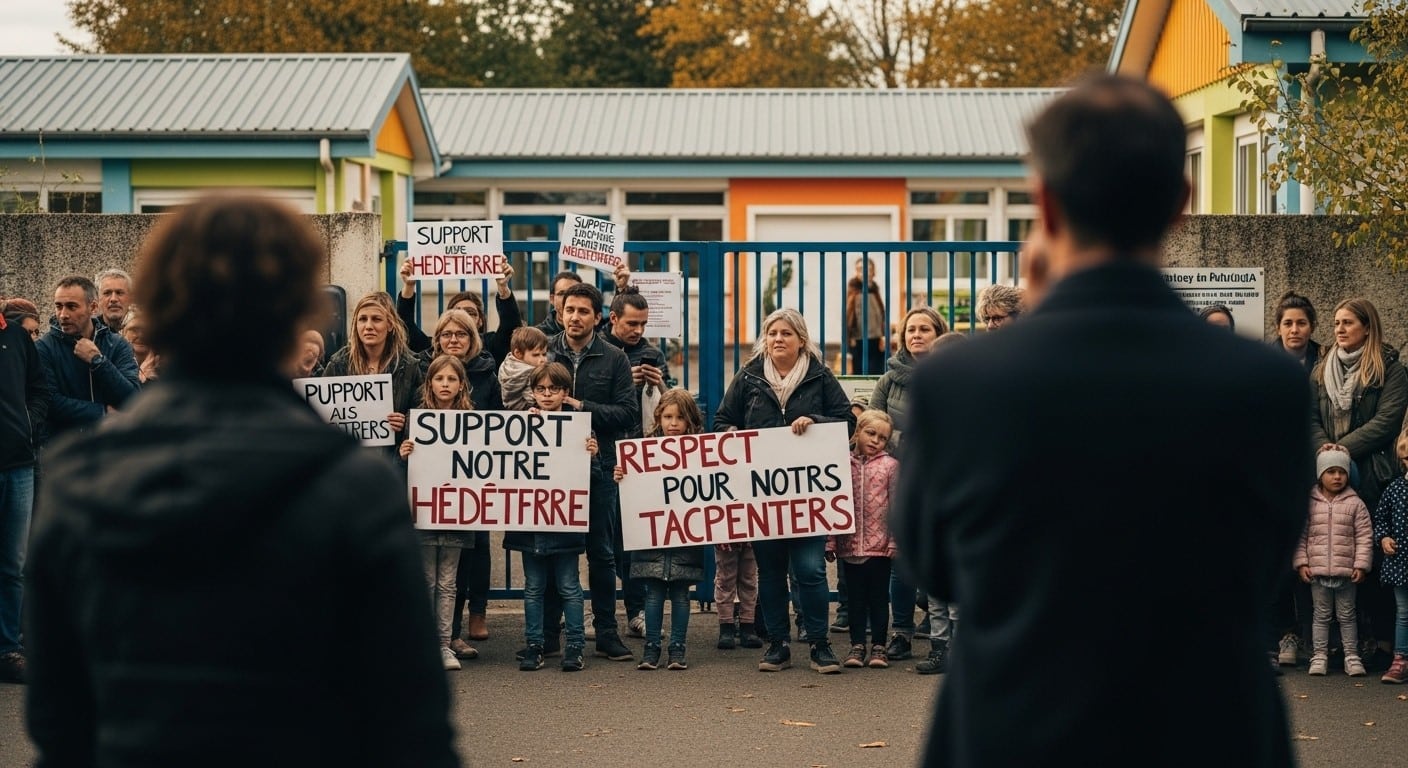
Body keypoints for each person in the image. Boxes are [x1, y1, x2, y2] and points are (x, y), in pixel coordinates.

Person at [893, 75, 1310, 766]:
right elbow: (1263, 567)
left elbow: (930, 563)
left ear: (1047, 204)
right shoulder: (1264, 384)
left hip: (1010, 730)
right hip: (1210, 732)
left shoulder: (958, 382)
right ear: (1180, 204)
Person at [24, 195, 458, 767]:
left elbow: (60, 726)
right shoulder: (355, 487)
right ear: (301, 315)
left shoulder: (81, 480)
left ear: (159, 308)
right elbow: (412, 730)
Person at [713, 307, 855, 675]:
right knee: (771, 572)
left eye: (786, 333)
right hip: (763, 497)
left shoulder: (820, 376)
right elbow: (722, 420)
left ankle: (820, 645)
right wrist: (729, 433)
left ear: (801, 340)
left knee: (810, 570)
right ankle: (778, 645)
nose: (778, 339)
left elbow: (848, 421)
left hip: (809, 498)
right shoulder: (748, 377)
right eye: (773, 332)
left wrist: (817, 421)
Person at [545, 281, 638, 661]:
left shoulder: (615, 358)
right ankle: (549, 635)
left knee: (601, 554)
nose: (575, 317)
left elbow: (628, 414)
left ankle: (606, 633)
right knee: (551, 551)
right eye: (570, 310)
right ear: (560, 313)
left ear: (598, 318)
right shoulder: (547, 353)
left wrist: (582, 407)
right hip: (551, 470)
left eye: (584, 311)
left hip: (599, 469)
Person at [1310, 297, 1406, 661]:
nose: (1339, 328)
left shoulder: (1391, 370)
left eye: (1347, 322)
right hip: (1328, 472)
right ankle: (1334, 644)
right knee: (1332, 556)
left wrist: (1341, 448)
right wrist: (1326, 451)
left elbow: (1388, 421)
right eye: (1336, 322)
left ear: (1368, 327)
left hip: (1372, 476)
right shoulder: (1322, 369)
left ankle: (1380, 642)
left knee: (1372, 558)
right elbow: (1311, 418)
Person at [418, 309, 501, 644]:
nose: (453, 340)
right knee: (434, 571)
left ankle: (458, 630)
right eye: (446, 334)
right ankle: (440, 636)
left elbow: (500, 427)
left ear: (473, 337)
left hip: (471, 484)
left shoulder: (487, 375)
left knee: (467, 557)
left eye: (461, 334)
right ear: (437, 340)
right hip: (432, 489)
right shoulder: (424, 374)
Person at [505, 361, 593, 673]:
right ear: (532, 392)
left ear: (565, 393)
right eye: (540, 389)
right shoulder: (518, 427)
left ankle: (575, 647)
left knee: (569, 586)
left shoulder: (579, 428)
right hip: (529, 525)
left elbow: (590, 477)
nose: (546, 395)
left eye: (553, 389)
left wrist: (591, 454)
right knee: (533, 588)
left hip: (564, 524)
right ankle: (534, 644)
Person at [614, 388, 707, 671]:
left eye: (680, 417)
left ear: (691, 421)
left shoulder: (703, 452)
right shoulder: (643, 449)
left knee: (681, 595)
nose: (673, 423)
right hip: (651, 538)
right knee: (652, 595)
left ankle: (677, 648)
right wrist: (622, 475)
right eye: (668, 416)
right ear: (658, 418)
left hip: (685, 538)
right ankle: (651, 647)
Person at [399, 354, 478, 669]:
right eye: (439, 379)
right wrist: (403, 453)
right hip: (424, 513)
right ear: (429, 383)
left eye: (451, 379)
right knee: (426, 578)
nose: (445, 384)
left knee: (448, 582)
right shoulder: (415, 418)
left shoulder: (474, 421)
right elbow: (404, 469)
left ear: (461, 385)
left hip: (458, 513)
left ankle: (444, 644)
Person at [603, 286, 668, 638]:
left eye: (643, 324)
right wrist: (624, 381)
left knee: (633, 541)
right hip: (604, 450)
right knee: (601, 541)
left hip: (638, 454)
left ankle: (636, 609)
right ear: (613, 319)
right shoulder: (601, 350)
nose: (638, 331)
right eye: (632, 323)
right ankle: (602, 613)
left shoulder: (652, 354)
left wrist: (659, 385)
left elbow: (666, 408)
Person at [826, 410, 899, 670]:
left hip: (880, 546)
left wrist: (895, 541)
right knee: (854, 598)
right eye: (870, 433)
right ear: (857, 432)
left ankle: (879, 645)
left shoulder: (890, 466)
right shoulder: (841, 464)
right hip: (849, 545)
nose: (875, 440)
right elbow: (833, 504)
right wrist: (831, 540)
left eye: (882, 437)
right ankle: (857, 645)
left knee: (879, 597)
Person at [0, 298, 47, 684]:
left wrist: (29, 425)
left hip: (18, 465)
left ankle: (7, 648)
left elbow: (38, 388)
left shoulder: (17, 338)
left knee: (14, 564)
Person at [1297, 447, 1373, 676]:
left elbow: (1364, 535)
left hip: (1346, 572)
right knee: (1320, 616)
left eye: (1342, 471)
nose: (1337, 477)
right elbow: (1301, 534)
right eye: (1331, 471)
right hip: (1317, 571)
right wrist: (1302, 562)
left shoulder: (1355, 504)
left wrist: (1361, 565)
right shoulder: (1309, 503)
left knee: (1347, 616)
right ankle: (1319, 656)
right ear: (1320, 474)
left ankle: (1351, 655)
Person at [34, 275, 140, 441]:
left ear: (93, 307)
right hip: (64, 450)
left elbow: (132, 398)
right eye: (58, 306)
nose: (63, 315)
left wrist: (98, 361)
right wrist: (102, 412)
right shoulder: (43, 347)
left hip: (112, 446)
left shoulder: (117, 344)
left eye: (71, 307)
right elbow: (48, 402)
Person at [321, 292, 423, 451]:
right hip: (349, 458)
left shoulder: (409, 366)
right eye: (362, 319)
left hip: (393, 461)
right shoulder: (338, 364)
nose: (368, 326)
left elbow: (422, 412)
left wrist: (405, 422)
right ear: (355, 324)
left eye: (376, 319)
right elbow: (321, 412)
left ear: (390, 325)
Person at [398, 258, 521, 364]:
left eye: (470, 313)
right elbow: (405, 326)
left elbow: (511, 328)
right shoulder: (433, 349)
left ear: (480, 321)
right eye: (457, 312)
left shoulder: (491, 346)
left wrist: (503, 288)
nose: (463, 316)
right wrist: (409, 286)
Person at [1372, 434, 1408, 684]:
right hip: (1401, 565)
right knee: (1404, 613)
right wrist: (1383, 538)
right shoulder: (1395, 489)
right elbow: (1380, 519)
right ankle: (1400, 659)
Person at [845, 257, 887, 375]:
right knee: (860, 374)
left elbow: (881, 313)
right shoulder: (853, 290)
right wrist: (850, 337)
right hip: (858, 339)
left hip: (876, 339)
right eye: (860, 269)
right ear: (856, 272)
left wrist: (883, 335)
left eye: (868, 269)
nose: (864, 272)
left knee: (877, 373)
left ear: (873, 272)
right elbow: (849, 315)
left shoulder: (874, 290)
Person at [499, 326, 550, 411]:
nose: (543, 360)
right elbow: (534, 399)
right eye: (536, 355)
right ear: (518, 353)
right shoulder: (530, 372)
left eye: (544, 354)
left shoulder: (505, 365)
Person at [1273, 291, 1321, 372]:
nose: (1294, 330)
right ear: (1278, 329)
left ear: (1312, 327)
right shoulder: (1264, 360)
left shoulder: (1325, 359)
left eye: (1301, 323)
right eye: (1288, 323)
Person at [120, 306, 160, 385]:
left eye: (146, 330)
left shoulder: (165, 366)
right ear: (122, 332)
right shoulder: (114, 364)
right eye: (134, 330)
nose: (141, 335)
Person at [95, 267, 133, 332]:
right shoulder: (88, 332)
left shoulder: (145, 331)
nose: (113, 299)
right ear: (98, 299)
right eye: (107, 293)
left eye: (119, 293)